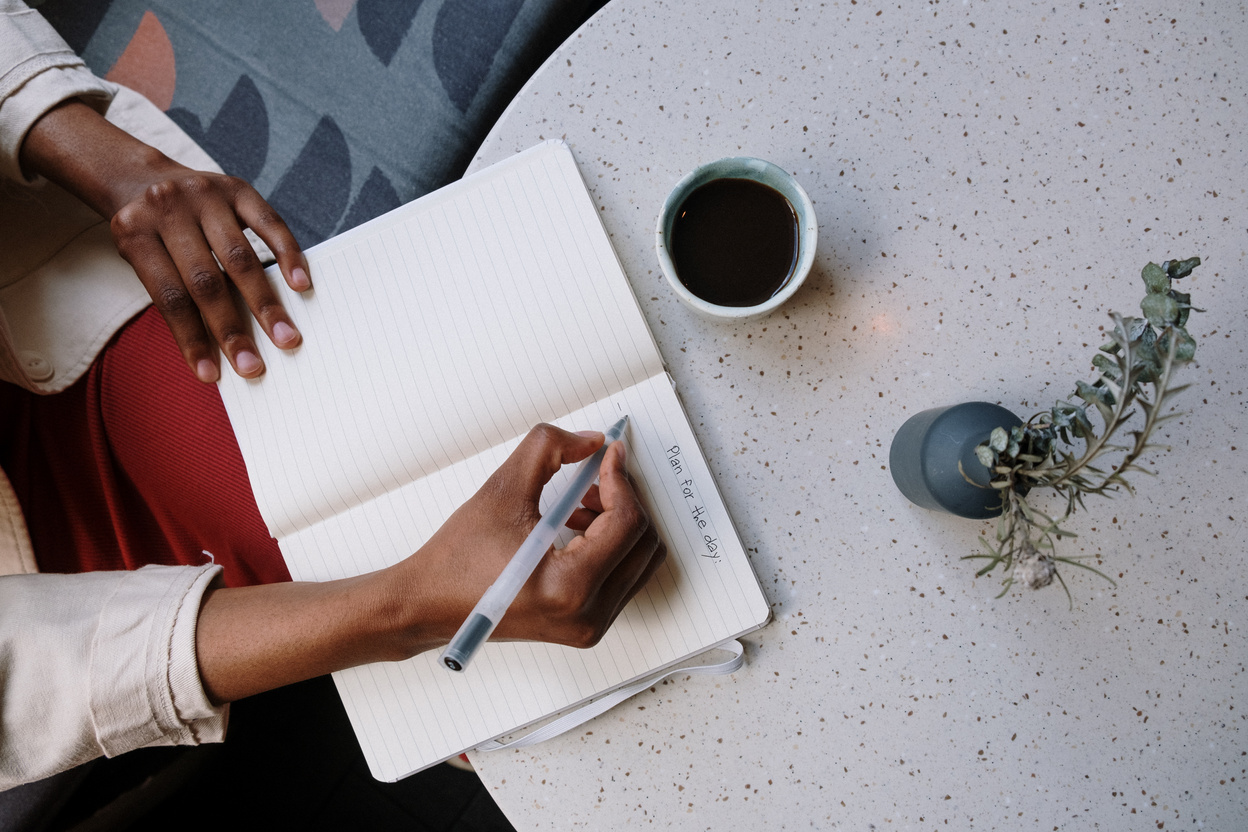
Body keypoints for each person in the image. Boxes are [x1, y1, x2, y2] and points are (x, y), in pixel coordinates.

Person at [0, 0, 665, 792]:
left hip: (57, 330)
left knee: (557, 324)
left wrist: (104, 157)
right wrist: (401, 609)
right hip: (60, 622)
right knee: (576, 622)